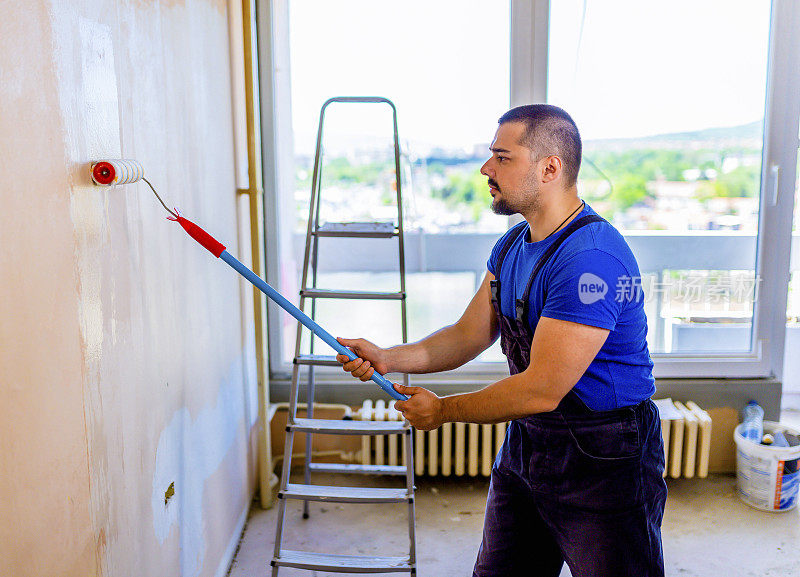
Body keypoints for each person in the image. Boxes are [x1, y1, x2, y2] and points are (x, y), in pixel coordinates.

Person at [336, 104, 667, 577]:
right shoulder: (513, 246)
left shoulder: (590, 260)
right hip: (529, 443)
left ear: (550, 168)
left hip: (603, 456)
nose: (486, 169)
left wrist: (445, 411)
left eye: (502, 158)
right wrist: (388, 357)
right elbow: (465, 335)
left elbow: (541, 389)